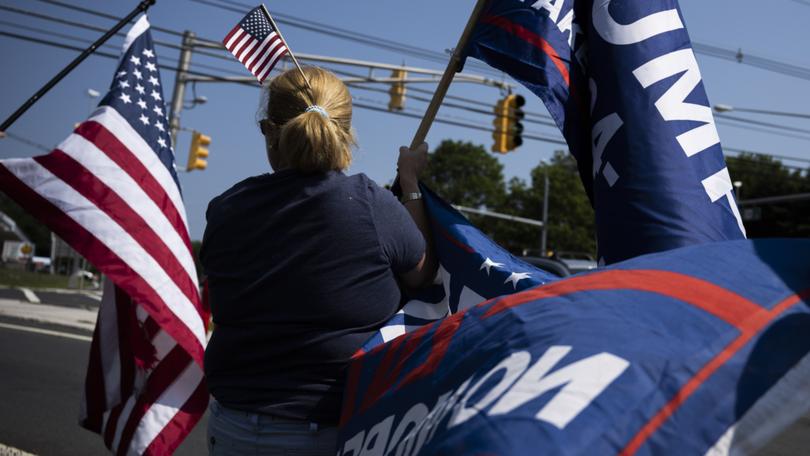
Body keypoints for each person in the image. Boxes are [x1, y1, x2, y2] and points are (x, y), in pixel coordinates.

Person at [200, 66, 436, 455]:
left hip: (231, 427)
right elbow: (422, 274)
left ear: (269, 133)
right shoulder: (369, 205)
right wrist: (410, 183)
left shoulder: (224, 209)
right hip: (325, 434)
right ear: (345, 135)